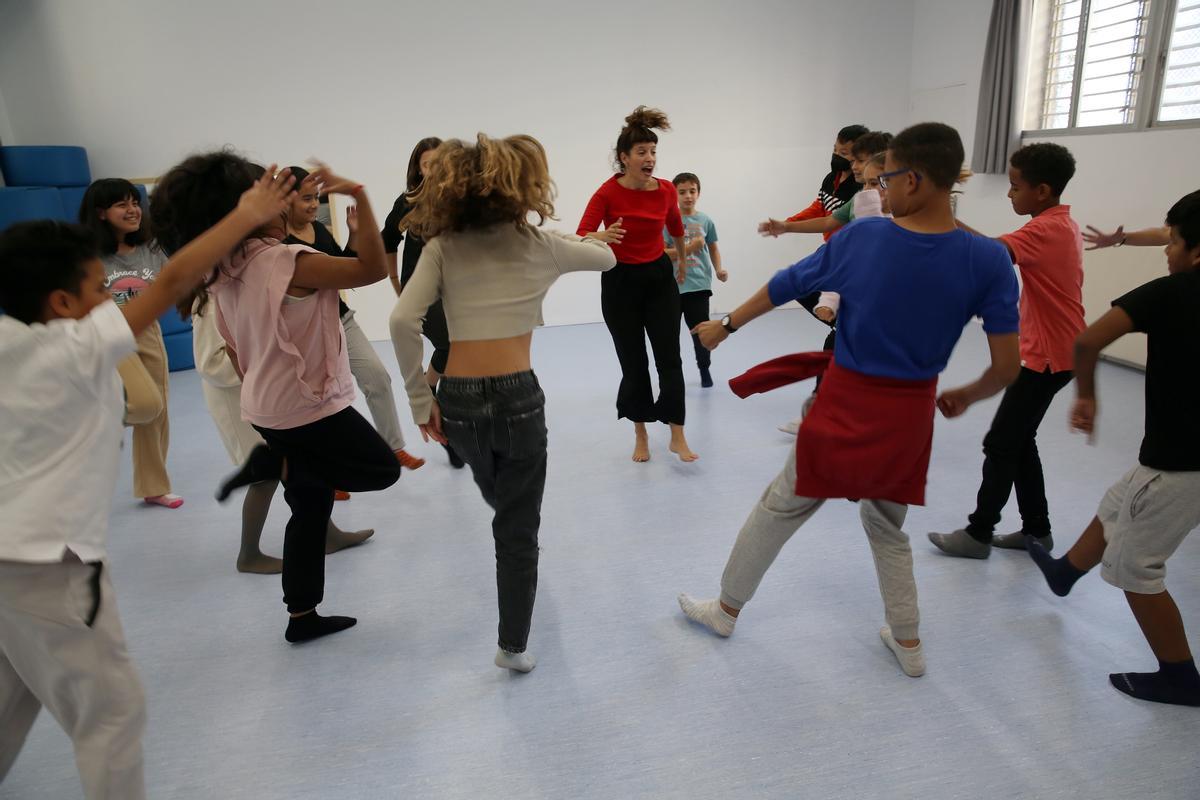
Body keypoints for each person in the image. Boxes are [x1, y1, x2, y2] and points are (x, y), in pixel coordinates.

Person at [677, 123, 1020, 677]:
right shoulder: (989, 259)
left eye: (885, 180)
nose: (879, 191)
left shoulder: (865, 237)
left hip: (846, 402)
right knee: (886, 527)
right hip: (910, 414)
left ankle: (725, 609)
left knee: (780, 506)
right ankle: (909, 644)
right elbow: (1007, 366)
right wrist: (966, 394)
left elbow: (786, 284)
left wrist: (725, 326)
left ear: (912, 178)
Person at [0, 168, 296, 799]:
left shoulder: (7, 339)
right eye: (97, 290)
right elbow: (170, 280)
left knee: (14, 698)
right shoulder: (71, 349)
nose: (110, 300)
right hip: (50, 562)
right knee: (111, 714)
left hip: (8, 567)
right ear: (61, 304)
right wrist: (246, 215)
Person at [151, 153, 401, 644]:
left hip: (265, 405)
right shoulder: (288, 261)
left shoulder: (223, 266)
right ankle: (275, 466)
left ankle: (302, 616)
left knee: (310, 505)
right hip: (305, 407)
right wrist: (361, 194)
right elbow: (372, 268)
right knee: (381, 469)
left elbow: (233, 345)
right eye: (269, 191)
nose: (283, 199)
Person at [390, 134, 615, 672]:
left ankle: (514, 540)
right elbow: (606, 257)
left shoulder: (444, 246)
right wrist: (561, 235)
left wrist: (421, 401)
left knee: (502, 503)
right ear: (524, 188)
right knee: (517, 529)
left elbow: (401, 321)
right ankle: (512, 646)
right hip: (517, 396)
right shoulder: (541, 244)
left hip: (459, 399)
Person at [1027, 190, 1200, 707]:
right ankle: (1065, 572)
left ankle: (1180, 678)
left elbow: (1085, 341)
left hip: (1182, 464)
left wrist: (1085, 396)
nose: (1166, 252)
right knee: (1119, 500)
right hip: (1178, 463)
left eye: (1172, 241)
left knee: (1136, 569)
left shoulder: (1171, 293)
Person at [929, 143, 1085, 557]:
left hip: (1048, 357)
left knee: (1001, 444)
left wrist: (944, 218)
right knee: (1019, 441)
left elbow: (990, 255)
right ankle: (1037, 530)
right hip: (1056, 352)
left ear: (1044, 190)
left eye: (1015, 186)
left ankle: (979, 534)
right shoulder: (1058, 223)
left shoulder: (1045, 229)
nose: (1010, 194)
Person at [182, 287, 375, 574]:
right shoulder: (210, 299)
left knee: (302, 461)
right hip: (236, 401)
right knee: (265, 476)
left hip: (265, 394)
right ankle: (248, 554)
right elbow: (210, 363)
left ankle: (327, 533)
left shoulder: (238, 286)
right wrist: (267, 360)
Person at [282, 166, 426, 477]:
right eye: (306, 199)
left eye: (315, 198)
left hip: (340, 319)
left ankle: (393, 445)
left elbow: (344, 268)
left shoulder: (318, 230)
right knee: (321, 402)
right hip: (305, 331)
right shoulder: (278, 242)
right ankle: (326, 471)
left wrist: (355, 234)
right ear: (286, 200)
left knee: (377, 377)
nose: (312, 205)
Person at [577, 106, 696, 463]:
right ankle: (640, 432)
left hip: (659, 278)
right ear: (624, 158)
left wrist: (682, 262)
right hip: (620, 283)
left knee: (670, 358)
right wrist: (602, 235)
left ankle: (677, 433)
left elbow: (676, 226)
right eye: (642, 152)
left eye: (653, 151)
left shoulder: (663, 190)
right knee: (634, 362)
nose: (650, 159)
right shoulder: (607, 193)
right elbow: (581, 234)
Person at [78, 178, 183, 509]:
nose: (133, 210)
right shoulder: (89, 255)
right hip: (107, 334)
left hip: (147, 331)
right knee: (146, 404)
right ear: (100, 213)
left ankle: (153, 486)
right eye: (122, 204)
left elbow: (172, 282)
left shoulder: (150, 249)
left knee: (159, 411)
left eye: (135, 203)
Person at [381, 138, 464, 469]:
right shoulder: (407, 202)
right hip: (420, 292)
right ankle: (439, 413)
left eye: (440, 163)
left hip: (456, 291)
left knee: (457, 353)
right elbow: (388, 240)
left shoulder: (458, 202)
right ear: (418, 167)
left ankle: (434, 394)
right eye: (428, 164)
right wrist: (394, 282)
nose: (434, 170)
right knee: (450, 345)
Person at [665, 171, 726, 388]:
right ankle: (674, 376)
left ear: (698, 193)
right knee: (669, 336)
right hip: (671, 288)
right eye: (682, 192)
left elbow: (713, 248)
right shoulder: (667, 221)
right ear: (674, 195)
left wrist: (719, 269)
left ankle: (704, 369)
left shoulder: (705, 220)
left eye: (692, 191)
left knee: (702, 332)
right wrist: (690, 248)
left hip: (699, 286)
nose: (688, 196)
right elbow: (662, 252)